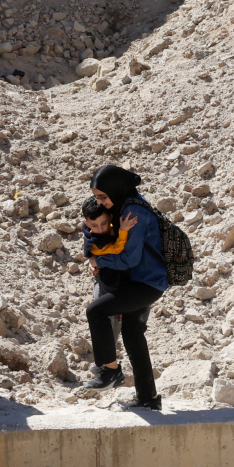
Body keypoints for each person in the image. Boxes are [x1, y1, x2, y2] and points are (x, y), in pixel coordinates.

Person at [81, 165, 169, 410]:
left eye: (102, 197)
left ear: (114, 189)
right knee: (132, 335)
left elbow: (129, 259)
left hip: (147, 283)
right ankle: (149, 398)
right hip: (141, 281)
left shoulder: (132, 211)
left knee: (95, 311)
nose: (100, 202)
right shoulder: (127, 201)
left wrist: (98, 260)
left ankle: (111, 370)